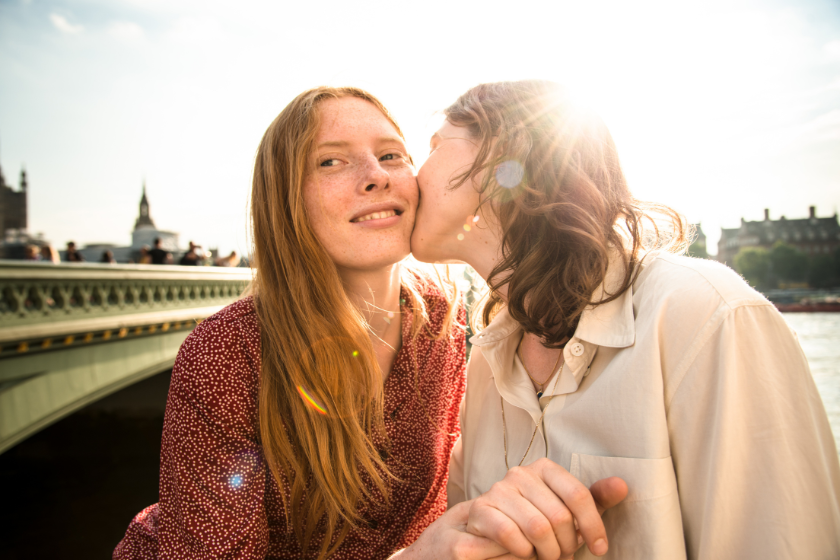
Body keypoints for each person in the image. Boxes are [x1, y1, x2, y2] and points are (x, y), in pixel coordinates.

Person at [114, 86, 625, 560]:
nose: (375, 174)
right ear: (285, 201)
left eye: (391, 156)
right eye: (330, 161)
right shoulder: (226, 352)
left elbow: (428, 516)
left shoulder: (440, 322)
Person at [410, 80, 840, 559]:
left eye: (432, 146)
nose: (410, 171)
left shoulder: (706, 315)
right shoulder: (485, 364)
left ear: (500, 157)